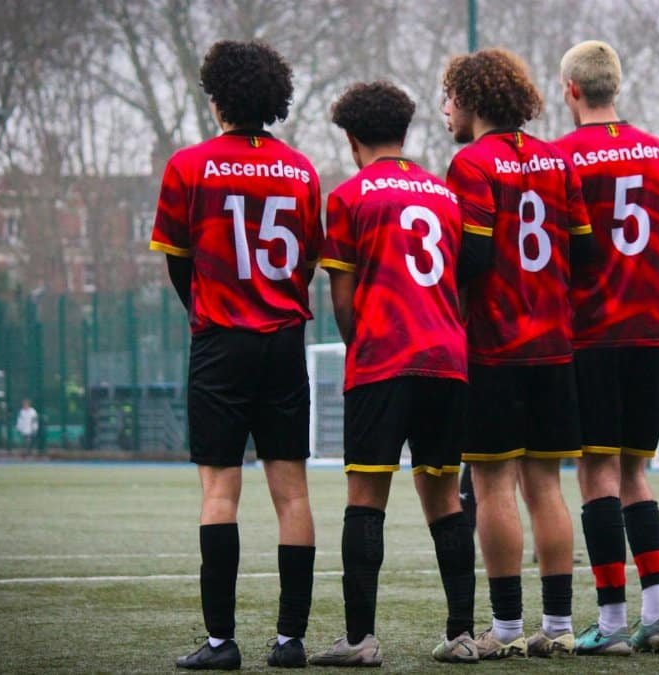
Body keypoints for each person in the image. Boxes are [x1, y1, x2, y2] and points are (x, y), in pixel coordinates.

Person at [149, 40, 321, 671]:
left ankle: (221, 643)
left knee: (220, 491)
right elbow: (305, 260)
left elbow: (178, 259)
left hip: (221, 339)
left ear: (217, 95)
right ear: (274, 98)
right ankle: (290, 641)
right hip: (282, 339)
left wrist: (206, 307)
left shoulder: (188, 166)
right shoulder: (302, 170)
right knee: (292, 493)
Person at [308, 81, 477, 667]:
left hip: (383, 361)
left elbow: (343, 301)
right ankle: (462, 634)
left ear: (353, 140)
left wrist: (367, 346)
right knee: (444, 498)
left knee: (366, 497)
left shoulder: (350, 196)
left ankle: (360, 640)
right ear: (404, 132)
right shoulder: (445, 196)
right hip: (447, 362)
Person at [441, 48, 594, 659]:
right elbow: (582, 254)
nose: (446, 109)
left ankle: (504, 630)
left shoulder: (470, 164)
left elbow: (473, 259)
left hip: (494, 348)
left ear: (474, 101)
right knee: (547, 487)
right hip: (555, 347)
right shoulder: (559, 160)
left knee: (493, 485)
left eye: (449, 97)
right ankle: (557, 627)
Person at [551, 40, 659, 654]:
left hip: (592, 332)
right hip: (650, 330)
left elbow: (555, 255)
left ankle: (608, 624)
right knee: (636, 471)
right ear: (616, 86)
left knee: (596, 470)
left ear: (572, 90)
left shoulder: (561, 158)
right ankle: (657, 614)